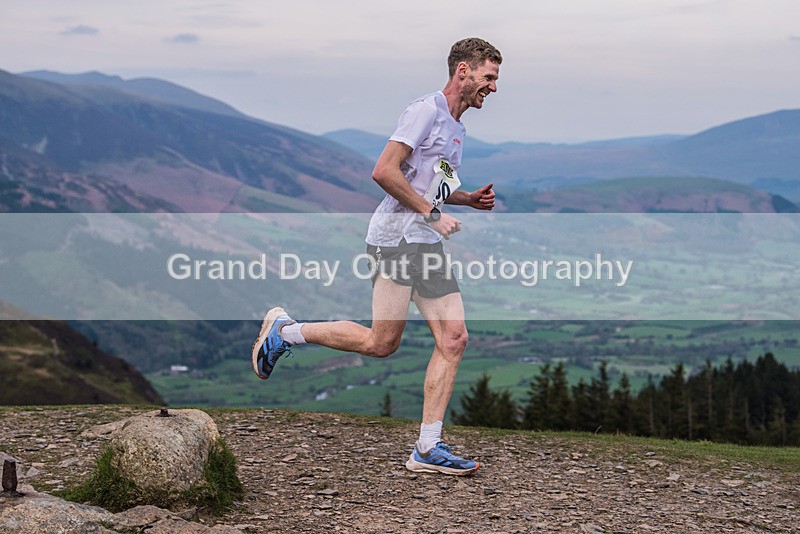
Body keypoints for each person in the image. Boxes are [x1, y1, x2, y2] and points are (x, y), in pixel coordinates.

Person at [252, 37, 502, 476]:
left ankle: (427, 447)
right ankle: (286, 333)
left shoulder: (457, 125)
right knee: (380, 343)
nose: (493, 88)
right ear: (463, 70)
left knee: (454, 338)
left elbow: (426, 184)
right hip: (394, 239)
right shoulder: (425, 110)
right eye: (489, 77)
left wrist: (464, 198)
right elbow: (383, 170)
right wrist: (431, 212)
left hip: (422, 242)